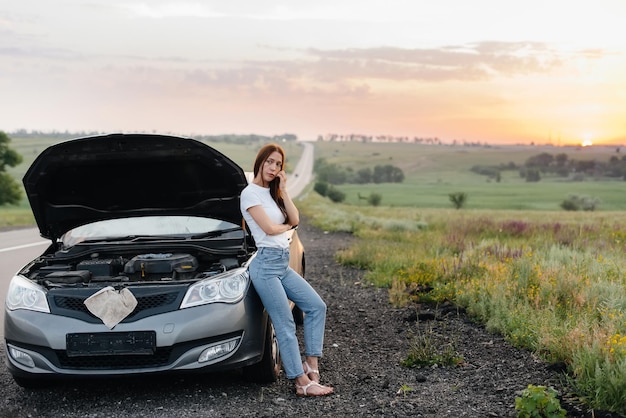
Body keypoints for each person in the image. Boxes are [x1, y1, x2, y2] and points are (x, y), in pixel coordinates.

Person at [240, 143, 334, 397]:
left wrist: (283, 190)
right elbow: (270, 229)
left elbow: (296, 218)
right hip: (266, 267)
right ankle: (301, 382)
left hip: (281, 264)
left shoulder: (274, 193)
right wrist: (285, 227)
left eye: (279, 164)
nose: (273, 168)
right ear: (260, 161)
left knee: (316, 307)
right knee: (284, 324)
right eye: (270, 162)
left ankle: (311, 363)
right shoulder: (250, 194)